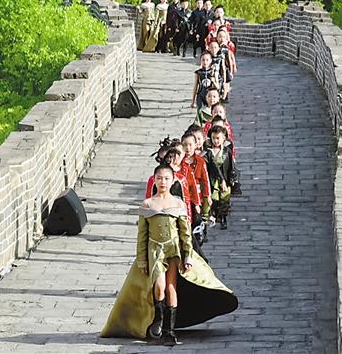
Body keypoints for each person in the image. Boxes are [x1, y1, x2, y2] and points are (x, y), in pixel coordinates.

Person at [101, 165, 238, 340]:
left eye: (166, 178)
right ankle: (158, 320)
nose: (163, 182)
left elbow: (185, 234)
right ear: (154, 180)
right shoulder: (148, 205)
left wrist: (187, 256)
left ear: (172, 181)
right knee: (159, 286)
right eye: (159, 178)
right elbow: (142, 236)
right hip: (155, 251)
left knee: (171, 287)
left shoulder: (178, 204)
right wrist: (142, 260)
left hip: (174, 250)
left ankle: (169, 329)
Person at [204, 125, 239, 230]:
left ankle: (223, 217)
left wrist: (233, 178)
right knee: (214, 198)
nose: (216, 141)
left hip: (225, 179)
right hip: (212, 179)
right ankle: (214, 214)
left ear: (224, 138)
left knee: (225, 199)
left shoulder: (227, 151)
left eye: (218, 138)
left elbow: (231, 166)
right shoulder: (207, 152)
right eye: (213, 138)